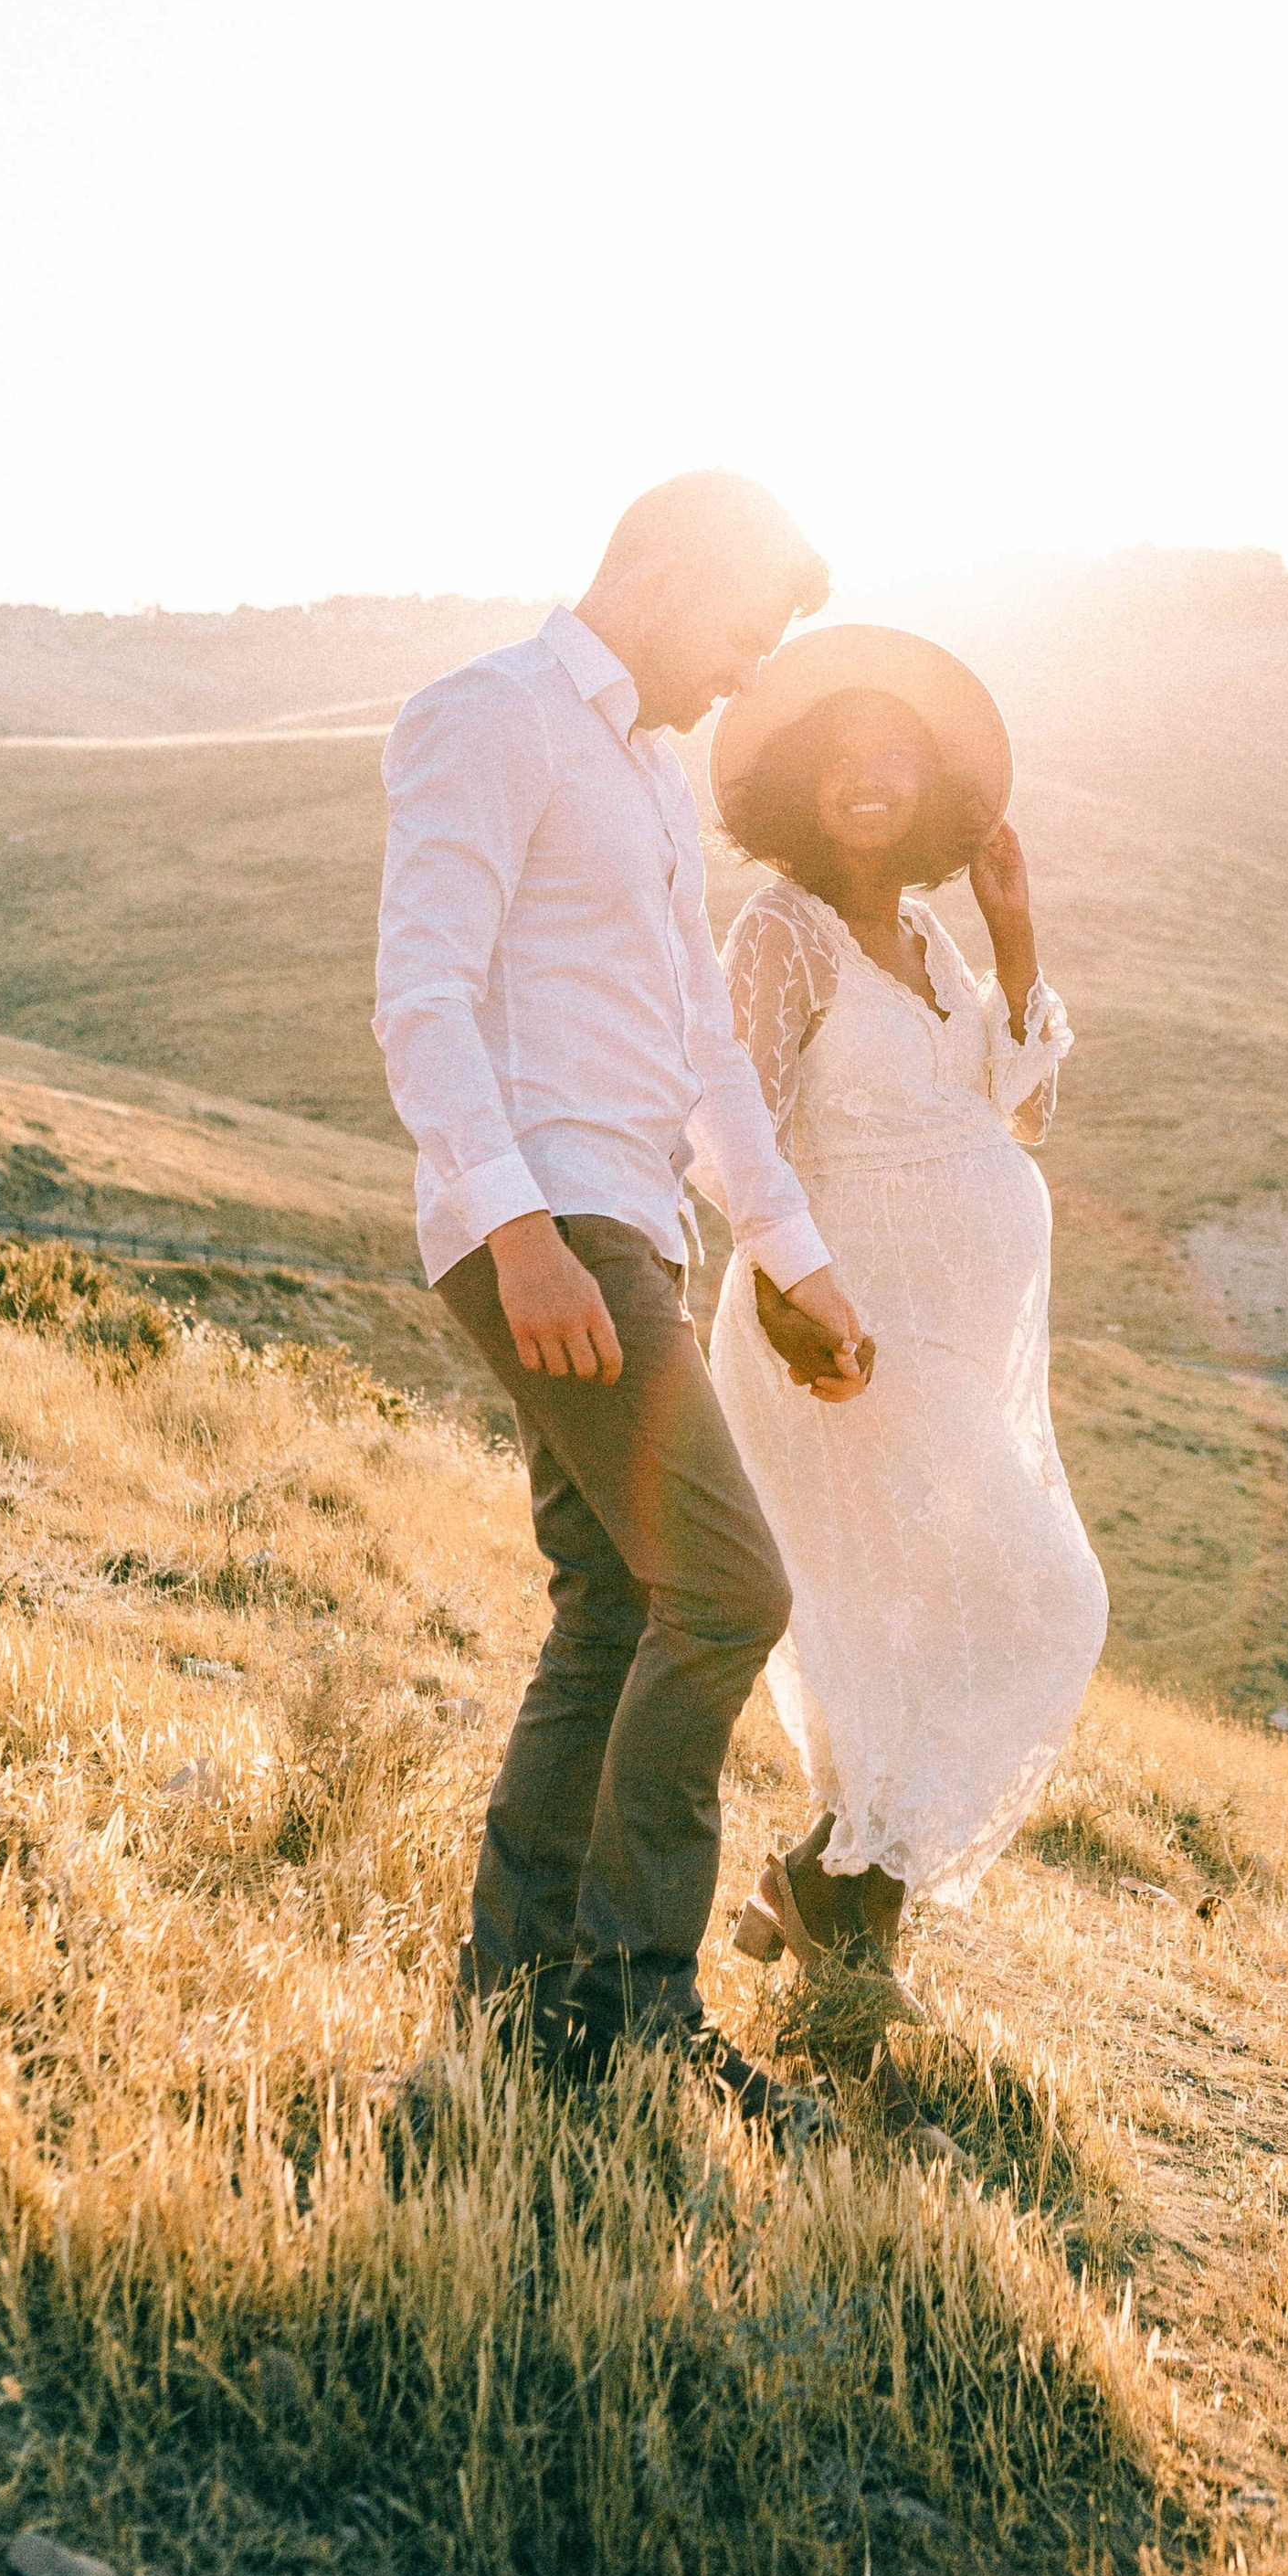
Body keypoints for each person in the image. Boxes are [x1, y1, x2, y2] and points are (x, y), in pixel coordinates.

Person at [372, 472, 871, 2123]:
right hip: (547, 1221)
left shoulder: (655, 784)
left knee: (612, 1604)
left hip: (631, 1226)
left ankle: (518, 2017)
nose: (746, 670)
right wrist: (518, 1231)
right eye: (739, 628)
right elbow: (424, 992)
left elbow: (708, 1054)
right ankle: (634, 2005)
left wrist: (790, 1259)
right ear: (653, 571)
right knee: (729, 1593)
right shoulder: (488, 715)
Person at [698, 624, 1109, 2007]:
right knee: (1048, 1598)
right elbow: (725, 1117)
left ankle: (833, 1915)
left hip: (945, 1346)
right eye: (842, 759)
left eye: (895, 760)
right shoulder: (781, 931)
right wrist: (782, 1286)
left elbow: (1022, 1110)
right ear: (802, 781)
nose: (868, 781)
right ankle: (832, 1906)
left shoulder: (925, 934)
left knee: (921, 1627)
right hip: (846, 1339)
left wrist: (1014, 929)